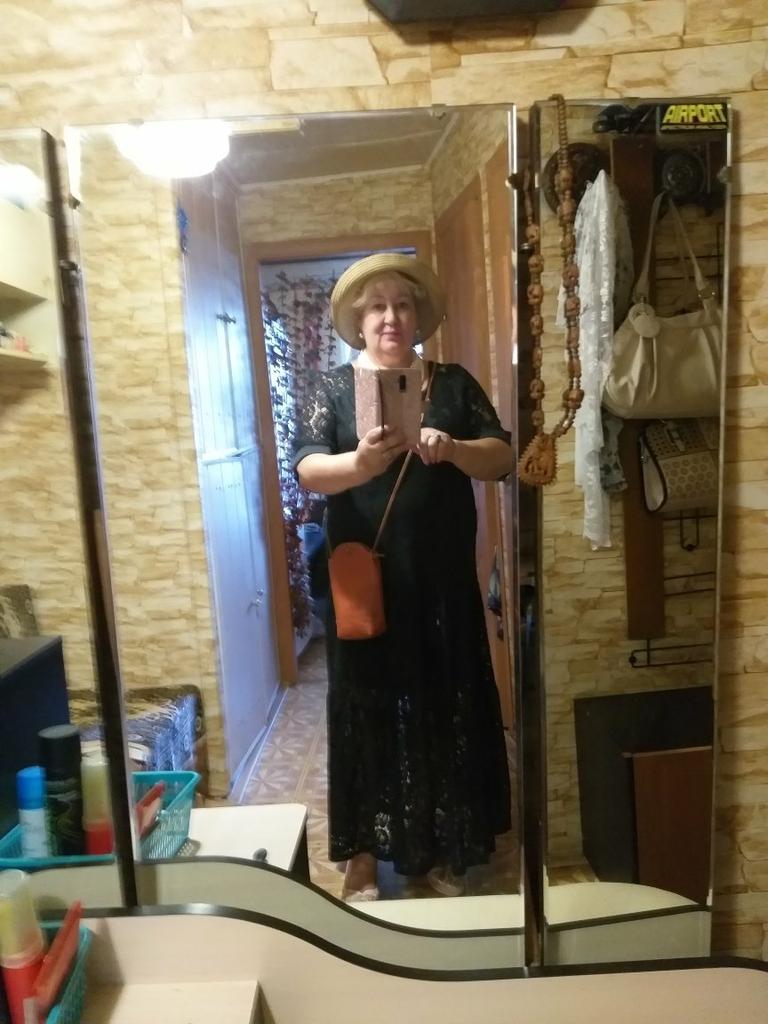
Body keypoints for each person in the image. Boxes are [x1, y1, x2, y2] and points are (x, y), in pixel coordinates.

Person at [293, 253, 513, 902]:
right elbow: (307, 469)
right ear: (360, 322)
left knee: (444, 701)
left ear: (418, 318)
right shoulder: (332, 388)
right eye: (377, 307)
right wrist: (361, 465)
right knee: (365, 706)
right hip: (365, 583)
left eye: (402, 304)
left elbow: (502, 456)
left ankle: (439, 844)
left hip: (442, 582)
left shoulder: (452, 383)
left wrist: (455, 448)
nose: (391, 317)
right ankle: (363, 852)